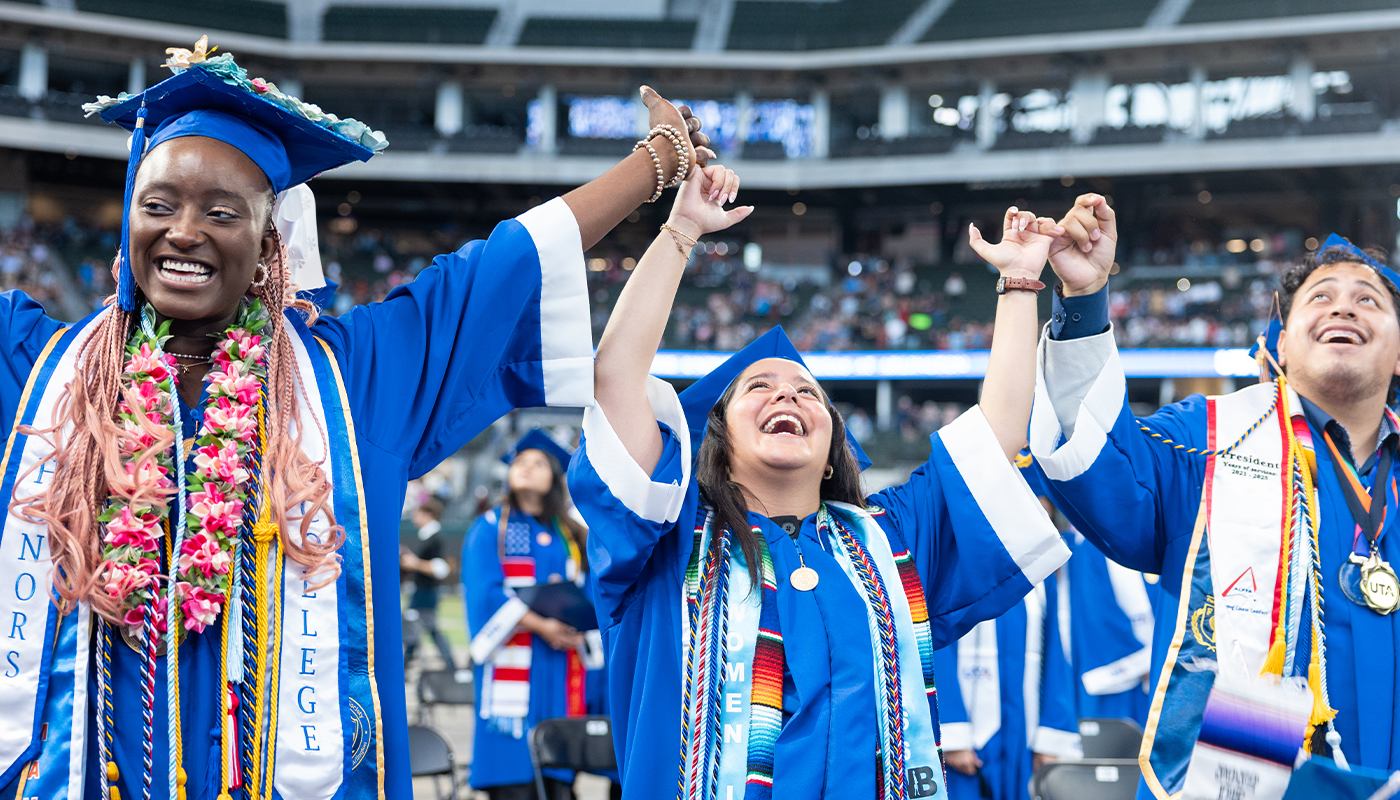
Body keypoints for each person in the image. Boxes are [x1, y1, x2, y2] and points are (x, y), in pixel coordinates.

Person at [0, 37, 712, 800]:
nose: (184, 231)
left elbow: (501, 267)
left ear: (267, 246)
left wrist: (656, 167)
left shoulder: (354, 379)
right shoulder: (38, 372)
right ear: (128, 228)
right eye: (159, 205)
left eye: (221, 212)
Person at [567, 168, 1071, 800]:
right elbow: (615, 377)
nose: (788, 392)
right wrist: (682, 228)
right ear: (714, 440)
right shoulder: (667, 547)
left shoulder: (891, 542)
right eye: (759, 387)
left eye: (808, 392)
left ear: (832, 445)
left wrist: (1021, 281)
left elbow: (994, 440)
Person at [1028, 193, 1400, 796]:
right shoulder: (1207, 442)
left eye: (1368, 300)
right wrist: (1083, 300)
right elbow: (1099, 465)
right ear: (1280, 346)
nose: (1344, 308)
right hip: (1243, 783)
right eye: (1321, 297)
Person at [465, 428, 597, 800]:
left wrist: (575, 625)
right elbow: (485, 593)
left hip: (557, 661)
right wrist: (543, 626)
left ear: (555, 477)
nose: (526, 468)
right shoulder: (491, 528)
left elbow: (586, 588)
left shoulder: (569, 533)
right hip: (515, 656)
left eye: (539, 463)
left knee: (557, 771)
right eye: (520, 461)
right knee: (515, 774)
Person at [935, 572, 1080, 800]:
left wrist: (1051, 733)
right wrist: (952, 732)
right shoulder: (950, 552)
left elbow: (1053, 647)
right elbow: (933, 640)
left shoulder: (1040, 560)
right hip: (968, 739)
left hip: (1023, 734)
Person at [402, 497, 456, 670]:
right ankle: (406, 664)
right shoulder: (427, 536)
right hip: (421, 590)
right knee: (418, 627)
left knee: (426, 628)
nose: (414, 517)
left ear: (428, 515)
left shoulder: (435, 538)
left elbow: (442, 568)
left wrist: (414, 563)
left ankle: (450, 665)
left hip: (426, 591)